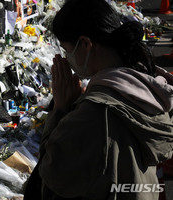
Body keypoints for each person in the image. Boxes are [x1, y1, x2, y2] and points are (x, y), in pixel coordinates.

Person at [24, 0, 173, 200]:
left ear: (85, 44)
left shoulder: (94, 113)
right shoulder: (145, 85)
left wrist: (60, 108)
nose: (66, 58)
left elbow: (54, 175)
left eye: (66, 50)